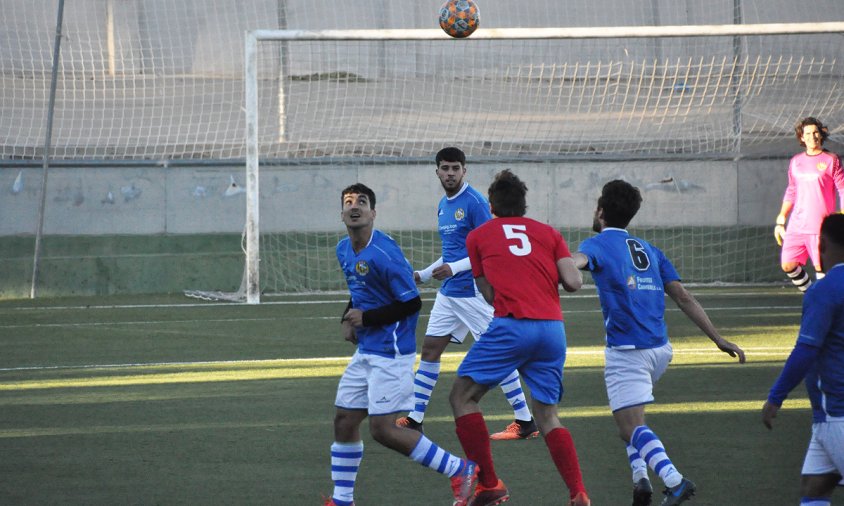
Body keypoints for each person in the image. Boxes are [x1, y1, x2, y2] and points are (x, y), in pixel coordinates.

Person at [572, 180, 746, 506]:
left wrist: (549, 262)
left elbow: (576, 262)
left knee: (629, 427)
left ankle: (674, 481)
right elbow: (683, 296)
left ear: (600, 211)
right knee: (634, 420)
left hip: (628, 351)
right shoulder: (650, 250)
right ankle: (641, 481)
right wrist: (718, 339)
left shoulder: (597, 244)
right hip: (660, 350)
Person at [326, 183, 477, 506]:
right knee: (344, 419)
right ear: (342, 213)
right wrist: (346, 317)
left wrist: (366, 319)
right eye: (349, 202)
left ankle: (460, 469)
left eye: (362, 202)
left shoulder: (386, 253)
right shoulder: (343, 249)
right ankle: (342, 500)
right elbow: (359, 288)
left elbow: (411, 303)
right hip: (367, 351)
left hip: (391, 353)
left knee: (383, 429)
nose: (355, 207)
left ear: (373, 213)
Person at [449, 169, 591, 506]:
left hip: (512, 325)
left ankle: (489, 483)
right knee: (547, 416)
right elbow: (574, 283)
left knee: (462, 398)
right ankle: (578, 492)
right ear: (524, 204)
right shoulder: (549, 233)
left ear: (491, 205)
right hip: (552, 330)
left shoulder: (478, 237)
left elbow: (487, 295)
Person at [397, 147, 539, 440]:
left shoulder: (474, 203)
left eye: (455, 168)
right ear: (437, 171)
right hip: (450, 294)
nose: (450, 173)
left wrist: (456, 268)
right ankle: (416, 417)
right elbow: (451, 254)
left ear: (465, 171)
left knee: (499, 353)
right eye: (445, 168)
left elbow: (489, 248)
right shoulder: (443, 205)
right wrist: (422, 275)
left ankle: (525, 421)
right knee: (431, 349)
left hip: (474, 292)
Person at [763, 213, 844, 506]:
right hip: (826, 418)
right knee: (813, 489)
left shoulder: (823, 290)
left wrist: (775, 397)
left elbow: (806, 351)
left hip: (837, 412)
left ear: (821, 245)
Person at [774, 117, 844, 292]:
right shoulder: (796, 161)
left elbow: (842, 189)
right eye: (808, 133)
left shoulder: (831, 160)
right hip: (796, 225)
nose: (812, 136)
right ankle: (811, 294)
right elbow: (792, 190)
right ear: (802, 138)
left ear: (820, 135)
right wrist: (781, 218)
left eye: (815, 132)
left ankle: (824, 304)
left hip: (819, 226)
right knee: (788, 264)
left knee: (822, 270)